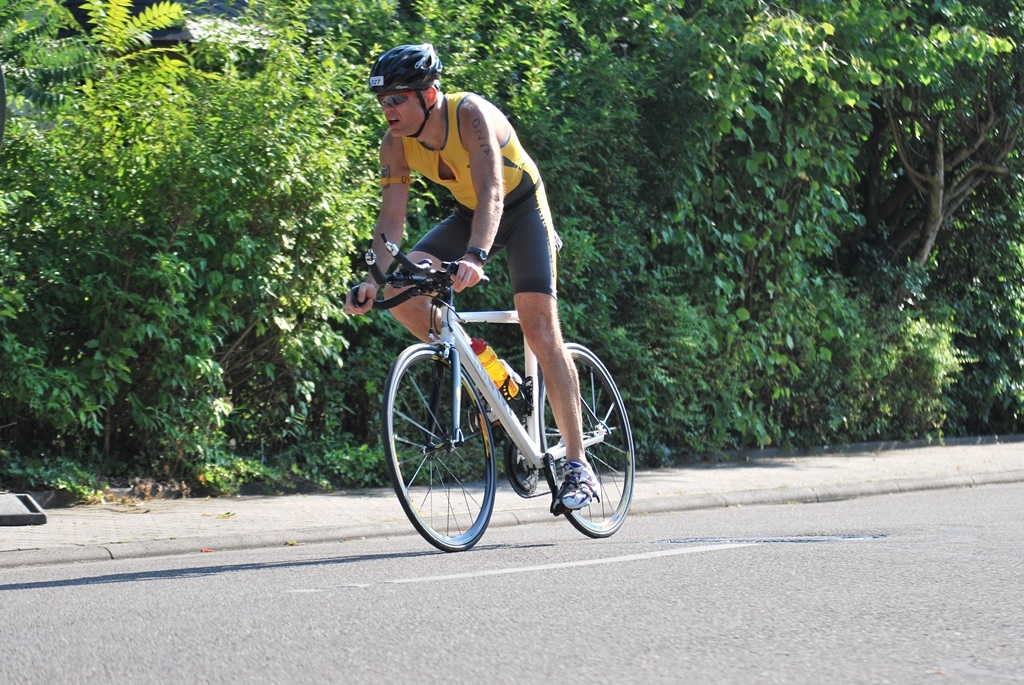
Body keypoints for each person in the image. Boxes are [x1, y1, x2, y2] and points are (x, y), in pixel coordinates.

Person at [344, 43, 599, 511]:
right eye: (382, 101)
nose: (388, 110)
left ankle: (578, 465)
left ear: (429, 95)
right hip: (468, 214)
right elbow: (391, 221)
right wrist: (372, 281)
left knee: (540, 330)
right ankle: (494, 377)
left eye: (397, 99)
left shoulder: (470, 116)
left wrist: (476, 257)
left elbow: (493, 192)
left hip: (521, 210)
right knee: (401, 291)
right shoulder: (395, 143)